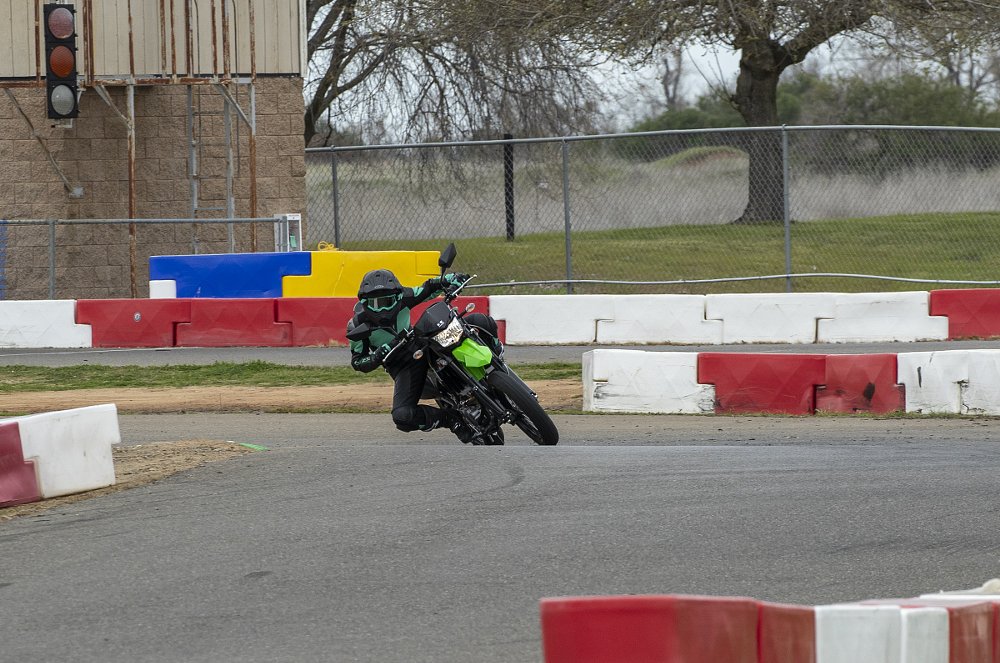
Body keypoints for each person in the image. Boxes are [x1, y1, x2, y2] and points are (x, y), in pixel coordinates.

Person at [347, 268, 502, 442]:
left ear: (397, 297)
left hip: (422, 342)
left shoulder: (404, 296)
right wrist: (375, 357)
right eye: (375, 303)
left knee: (480, 321)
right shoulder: (356, 325)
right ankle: (451, 419)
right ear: (364, 302)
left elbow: (428, 288)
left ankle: (497, 358)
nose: (381, 308)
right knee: (402, 416)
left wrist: (451, 278)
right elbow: (358, 361)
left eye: (387, 301)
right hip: (402, 364)